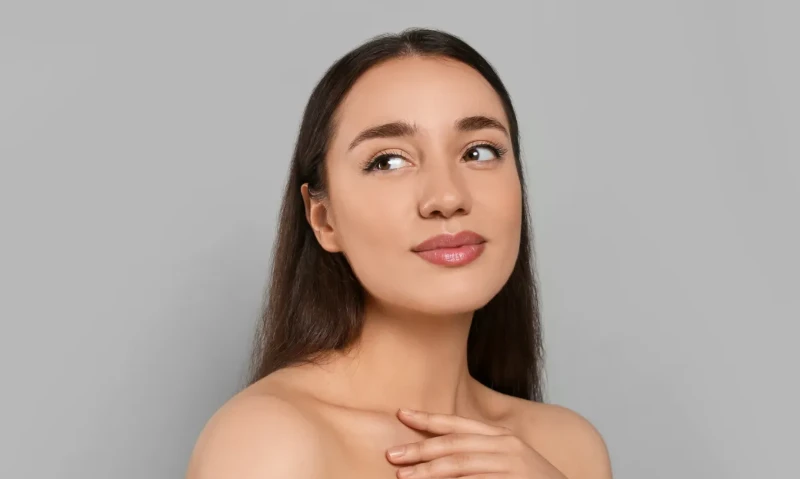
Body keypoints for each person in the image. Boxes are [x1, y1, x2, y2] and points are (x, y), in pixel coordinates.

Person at [186, 28, 613, 479]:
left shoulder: (568, 449)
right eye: (388, 161)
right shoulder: (268, 443)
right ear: (323, 219)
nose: (447, 198)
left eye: (479, 151)